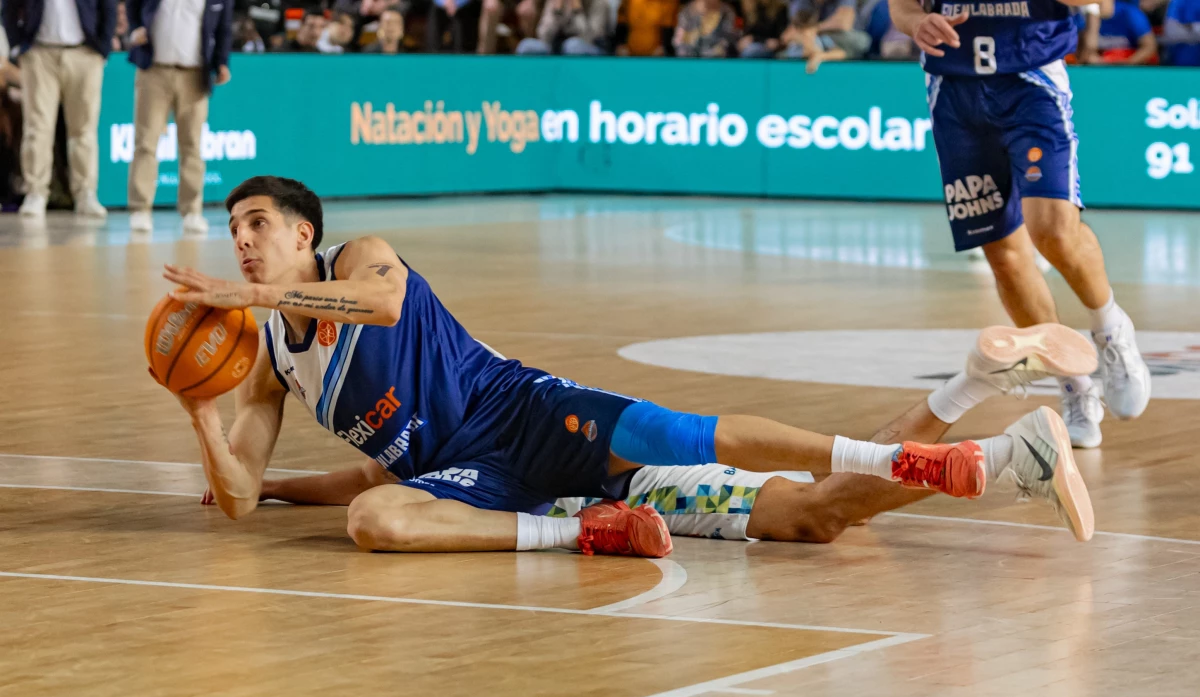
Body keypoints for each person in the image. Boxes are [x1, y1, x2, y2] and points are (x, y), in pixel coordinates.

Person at [164, 175, 1094, 557]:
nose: (242, 242)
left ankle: (956, 424)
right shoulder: (272, 368)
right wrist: (197, 407)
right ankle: (587, 534)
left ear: (304, 234)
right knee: (377, 519)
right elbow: (249, 495)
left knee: (715, 446)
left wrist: (250, 299)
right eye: (233, 230)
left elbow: (385, 305)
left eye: (257, 226)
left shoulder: (362, 254)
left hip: (524, 412)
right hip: (494, 485)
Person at [225, 323, 1099, 547]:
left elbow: (377, 491)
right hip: (577, 460)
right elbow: (371, 484)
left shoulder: (398, 362)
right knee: (816, 513)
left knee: (815, 517)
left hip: (596, 477)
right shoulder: (408, 432)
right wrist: (272, 486)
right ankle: (978, 391)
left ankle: (1010, 446)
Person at [888, 0, 1152, 450]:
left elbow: (1101, 5)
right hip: (954, 91)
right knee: (1004, 256)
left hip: (1030, 80)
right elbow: (902, 9)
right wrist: (918, 24)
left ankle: (1112, 330)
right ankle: (1074, 386)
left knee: (1051, 229)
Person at [126, 0, 234, 236]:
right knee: (145, 142)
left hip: (195, 74)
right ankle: (140, 209)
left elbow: (223, 29)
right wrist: (135, 29)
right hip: (153, 70)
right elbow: (133, 8)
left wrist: (222, 62)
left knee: (192, 146)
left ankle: (192, 211)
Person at [2, 0, 116, 220]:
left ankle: (85, 193)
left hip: (84, 51)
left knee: (84, 128)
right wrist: (17, 45)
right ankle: (36, 192)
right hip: (39, 52)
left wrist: (102, 47)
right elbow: (9, 6)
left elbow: (108, 6)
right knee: (37, 127)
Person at [780, 0, 872, 72]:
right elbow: (789, 37)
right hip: (800, 81)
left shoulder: (822, 39)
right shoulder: (795, 47)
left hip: (839, 40)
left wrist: (820, 55)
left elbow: (844, 24)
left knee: (861, 40)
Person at [1075, 0, 1158, 63]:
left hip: (1129, 69)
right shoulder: (1085, 18)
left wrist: (1126, 63)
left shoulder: (1130, 14)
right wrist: (1092, 25)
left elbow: (1149, 47)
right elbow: (1083, 56)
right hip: (1099, 71)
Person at [515, 0, 608, 54]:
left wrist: (577, 11)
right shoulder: (556, 1)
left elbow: (588, 38)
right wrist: (557, 11)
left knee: (573, 46)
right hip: (557, 47)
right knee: (526, 46)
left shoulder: (599, 3)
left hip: (592, 50)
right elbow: (543, 36)